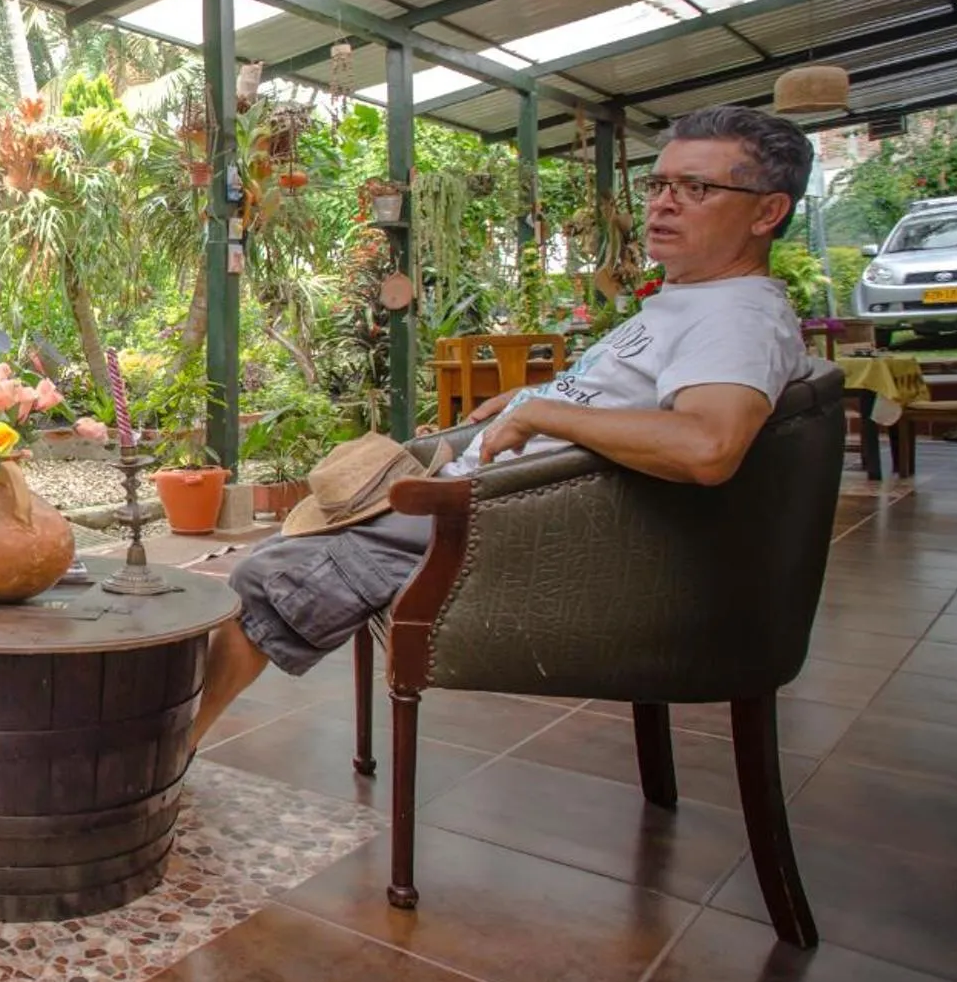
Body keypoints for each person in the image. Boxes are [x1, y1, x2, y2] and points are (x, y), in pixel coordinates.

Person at [191, 105, 818, 750]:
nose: (663, 205)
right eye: (658, 185)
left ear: (767, 213)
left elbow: (707, 448)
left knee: (262, 580)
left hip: (505, 531)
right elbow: (624, 401)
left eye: (698, 189)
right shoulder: (694, 301)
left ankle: (168, 758)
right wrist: (532, 395)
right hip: (497, 500)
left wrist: (544, 412)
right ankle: (162, 741)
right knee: (279, 552)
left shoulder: (736, 318)